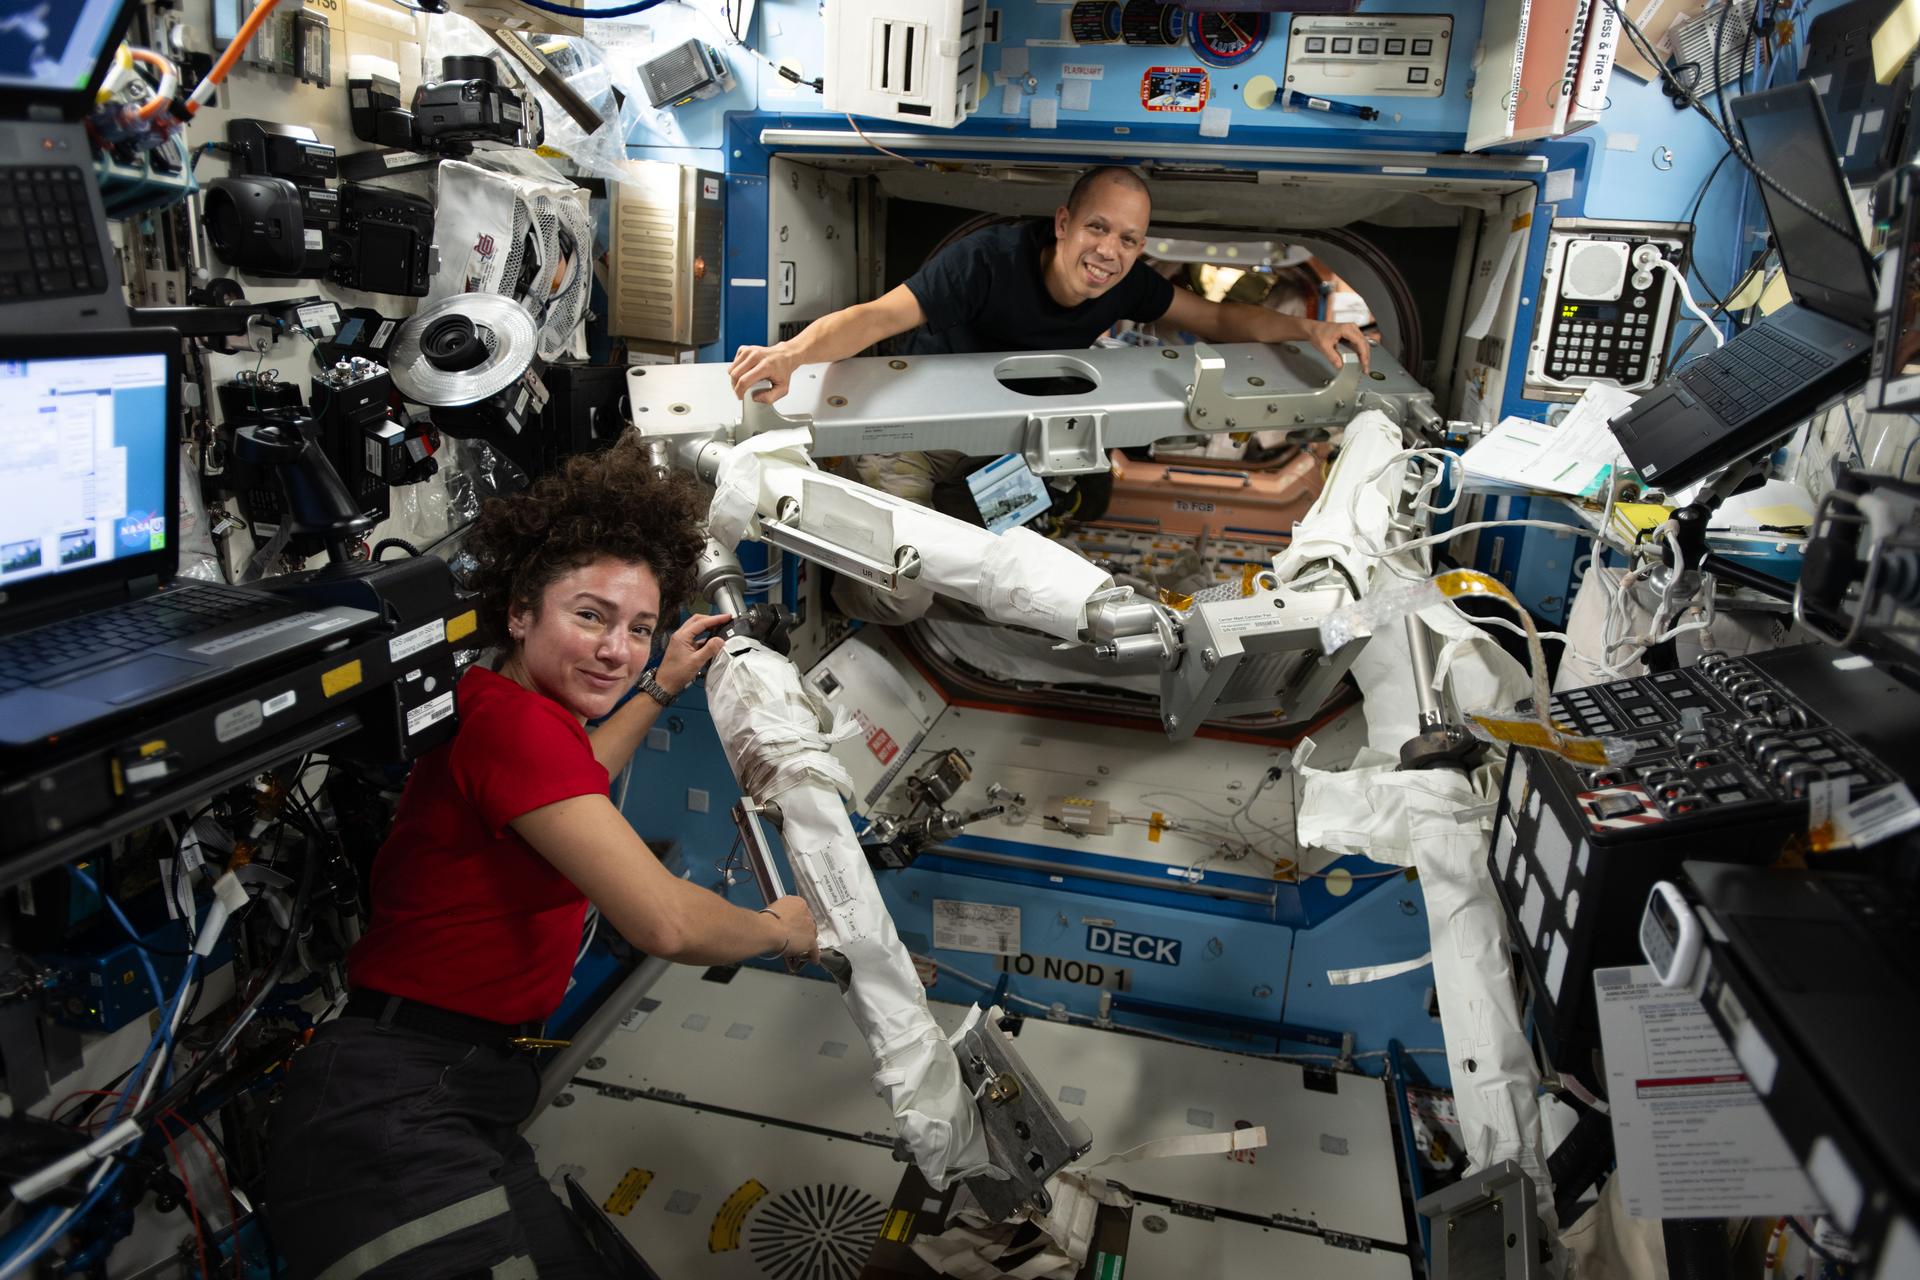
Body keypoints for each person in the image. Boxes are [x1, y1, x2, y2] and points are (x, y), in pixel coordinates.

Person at [263, 440, 820, 1280]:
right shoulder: (513, 727)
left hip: (451, 1091)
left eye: (639, 629)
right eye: (590, 616)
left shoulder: (511, 709)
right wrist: (780, 928)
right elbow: (667, 922)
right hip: (390, 1118)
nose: (617, 650)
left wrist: (663, 682)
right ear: (520, 612)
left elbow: (577, 780)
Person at [726, 166, 1370, 618]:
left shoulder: (1127, 285)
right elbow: (877, 317)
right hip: (915, 433)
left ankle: (945, 529)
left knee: (1078, 495)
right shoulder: (985, 262)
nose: (1109, 252)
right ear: (1063, 223)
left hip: (1002, 439)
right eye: (1097, 228)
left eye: (1128, 239)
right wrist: (791, 355)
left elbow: (1219, 319)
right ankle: (843, 595)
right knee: (904, 597)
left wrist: (1309, 329)